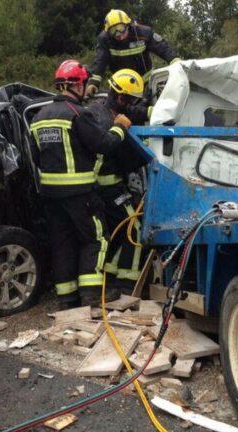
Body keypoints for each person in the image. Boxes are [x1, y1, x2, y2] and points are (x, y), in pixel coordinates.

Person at [30, 59, 132, 309]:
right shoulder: (78, 114)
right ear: (77, 84)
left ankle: (67, 298)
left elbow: (35, 156)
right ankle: (92, 294)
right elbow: (104, 144)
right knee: (96, 239)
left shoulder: (39, 118)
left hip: (51, 196)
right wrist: (119, 127)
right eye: (85, 84)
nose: (87, 89)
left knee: (62, 243)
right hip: (80, 193)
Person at [89, 69, 150, 295]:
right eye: (131, 100)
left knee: (116, 231)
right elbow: (113, 151)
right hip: (106, 185)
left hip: (105, 186)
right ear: (121, 97)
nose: (132, 106)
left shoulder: (104, 109)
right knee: (133, 225)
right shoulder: (104, 118)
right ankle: (127, 283)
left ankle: (111, 276)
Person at [86, 9, 178, 99]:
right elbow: (100, 61)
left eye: (120, 28)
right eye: (113, 30)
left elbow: (163, 48)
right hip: (121, 86)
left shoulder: (144, 33)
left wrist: (176, 62)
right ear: (108, 31)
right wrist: (94, 83)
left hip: (145, 83)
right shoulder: (105, 39)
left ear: (128, 25)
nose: (118, 34)